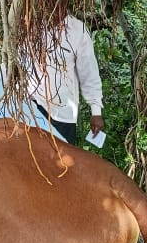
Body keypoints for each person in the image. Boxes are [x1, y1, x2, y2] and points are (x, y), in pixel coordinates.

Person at [26, 14, 103, 145]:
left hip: (62, 114)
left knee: (62, 161)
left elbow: (89, 73)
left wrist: (96, 111)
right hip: (31, 107)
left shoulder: (78, 30)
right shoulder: (30, 25)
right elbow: (15, 62)